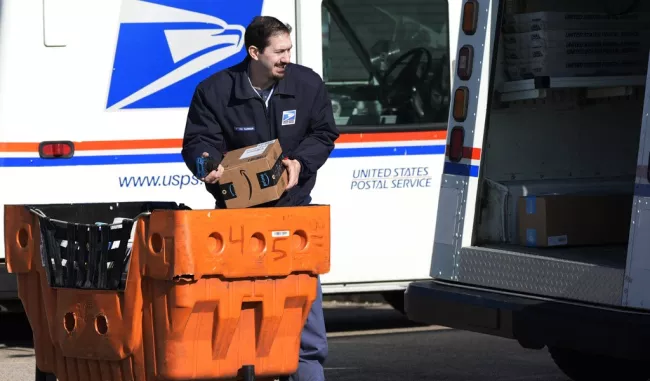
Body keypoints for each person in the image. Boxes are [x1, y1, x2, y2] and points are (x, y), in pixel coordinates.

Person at [181, 15, 339, 381]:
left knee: (305, 319)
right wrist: (207, 164)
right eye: (279, 52)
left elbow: (324, 132)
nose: (287, 58)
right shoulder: (215, 91)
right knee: (244, 318)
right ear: (254, 52)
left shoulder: (307, 84)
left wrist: (301, 162)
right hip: (239, 223)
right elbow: (198, 142)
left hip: (294, 218)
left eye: (289, 49)